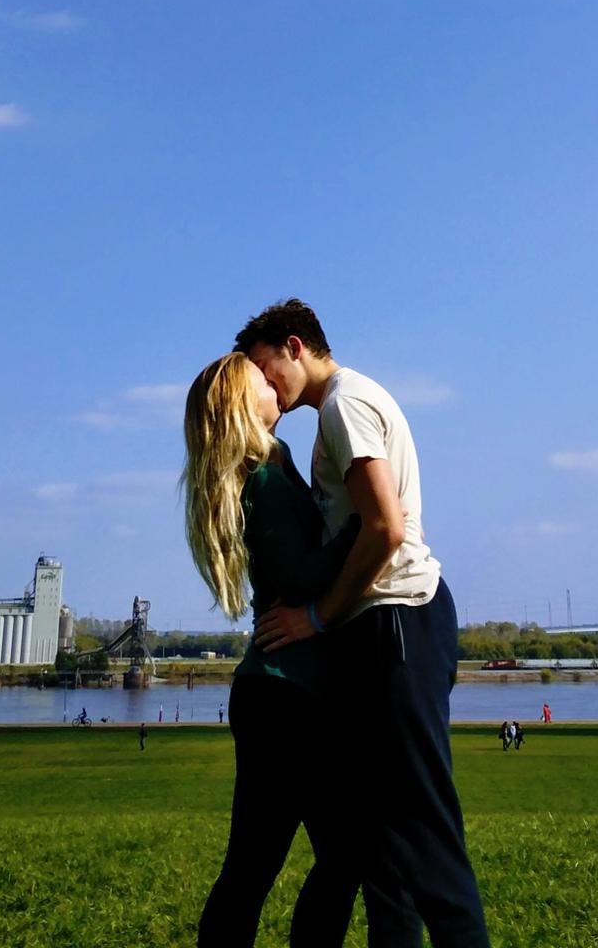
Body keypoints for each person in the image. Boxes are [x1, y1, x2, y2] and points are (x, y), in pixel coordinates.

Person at [243, 298, 490, 947]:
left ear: (294, 346)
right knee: (383, 845)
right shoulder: (335, 411)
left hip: (396, 620)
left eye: (265, 369)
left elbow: (385, 526)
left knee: (425, 832)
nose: (264, 386)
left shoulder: (343, 404)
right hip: (383, 627)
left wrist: (316, 619)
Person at [182, 349, 367, 948]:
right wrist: (367, 526)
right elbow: (300, 576)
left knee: (261, 869)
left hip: (280, 695)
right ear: (244, 400)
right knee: (326, 859)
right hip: (285, 698)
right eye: (263, 380)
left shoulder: (268, 464)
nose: (275, 384)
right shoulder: (261, 472)